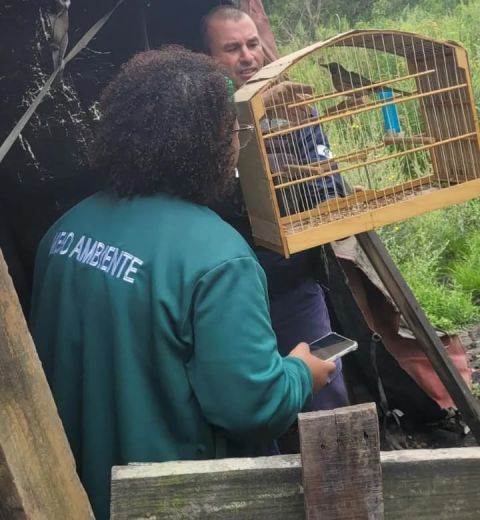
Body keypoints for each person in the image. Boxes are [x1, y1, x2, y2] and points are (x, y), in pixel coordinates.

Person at [29, 47, 336, 519]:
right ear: (208, 144)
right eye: (232, 129)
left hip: (71, 491)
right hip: (167, 499)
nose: (239, 140)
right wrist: (300, 372)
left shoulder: (65, 231)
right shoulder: (219, 259)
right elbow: (251, 407)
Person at [202, 6, 349, 420]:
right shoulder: (203, 128)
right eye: (231, 48)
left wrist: (274, 194)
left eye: (253, 44)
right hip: (234, 299)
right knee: (252, 407)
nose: (247, 56)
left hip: (294, 286)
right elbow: (213, 200)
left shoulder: (297, 111)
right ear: (209, 60)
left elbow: (331, 186)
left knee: (327, 395)